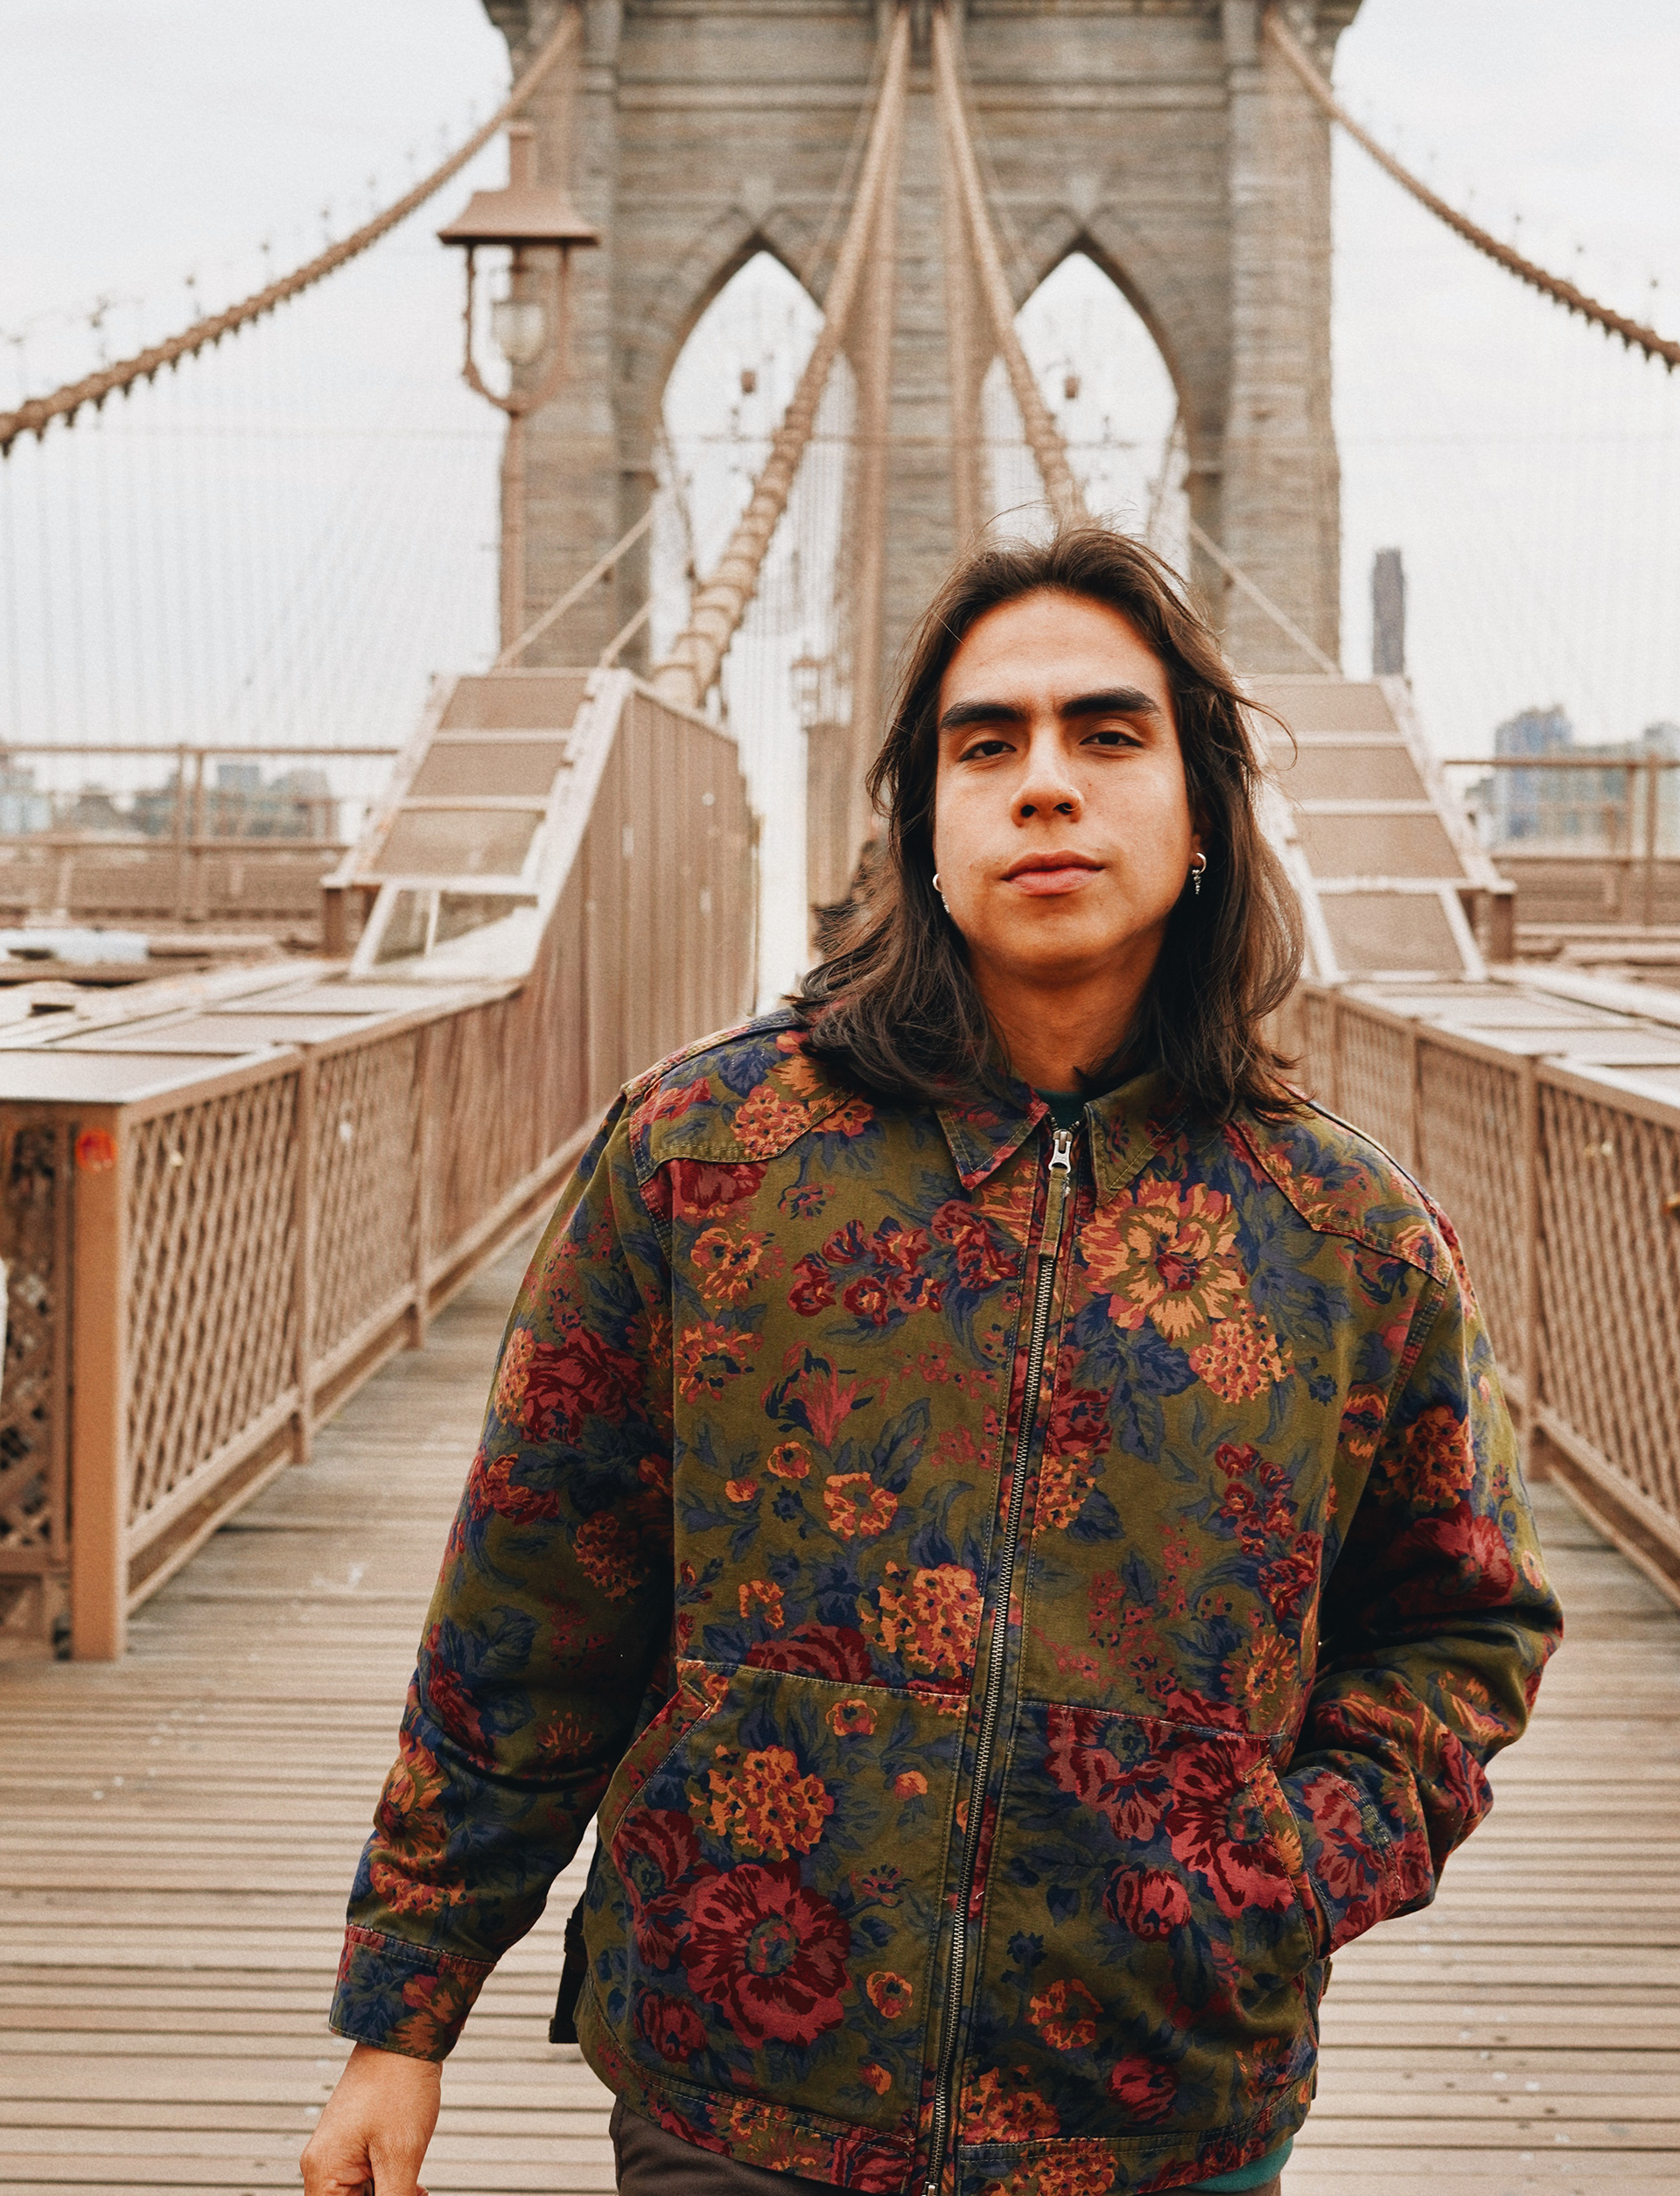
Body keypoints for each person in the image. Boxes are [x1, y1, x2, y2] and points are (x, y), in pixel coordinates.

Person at [303, 528, 1561, 2196]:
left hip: (1159, 2113)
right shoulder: (706, 1155)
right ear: (922, 824)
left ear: (1205, 815)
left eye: (1107, 735)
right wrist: (404, 2014)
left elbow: (1467, 1621)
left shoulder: (1351, 1237)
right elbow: (530, 1599)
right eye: (987, 744)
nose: (1045, 783)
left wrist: (1281, 1876)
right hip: (739, 2096)